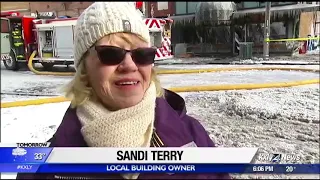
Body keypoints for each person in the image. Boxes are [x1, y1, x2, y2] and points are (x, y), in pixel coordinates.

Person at [16, 2, 230, 179]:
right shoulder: (41, 166)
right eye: (110, 54)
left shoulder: (194, 136)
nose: (129, 65)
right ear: (84, 69)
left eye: (142, 54)